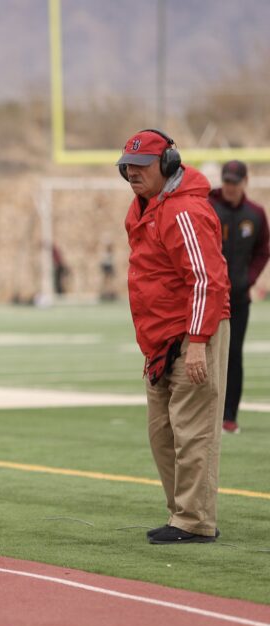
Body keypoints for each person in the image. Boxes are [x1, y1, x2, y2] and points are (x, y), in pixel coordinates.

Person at [117, 128, 230, 545]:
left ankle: (194, 520)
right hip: (161, 338)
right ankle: (181, 513)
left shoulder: (184, 211)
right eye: (127, 166)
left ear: (167, 165)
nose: (132, 173)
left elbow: (206, 280)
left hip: (193, 332)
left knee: (193, 430)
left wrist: (197, 342)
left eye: (141, 165)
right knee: (162, 434)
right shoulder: (143, 209)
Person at [208, 160, 269, 434]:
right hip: (208, 297)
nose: (230, 187)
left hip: (238, 299)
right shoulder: (208, 206)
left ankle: (229, 416)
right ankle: (205, 414)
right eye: (226, 181)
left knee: (233, 354)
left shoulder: (255, 214)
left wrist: (248, 279)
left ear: (245, 182)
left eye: (234, 182)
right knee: (202, 354)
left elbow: (263, 250)